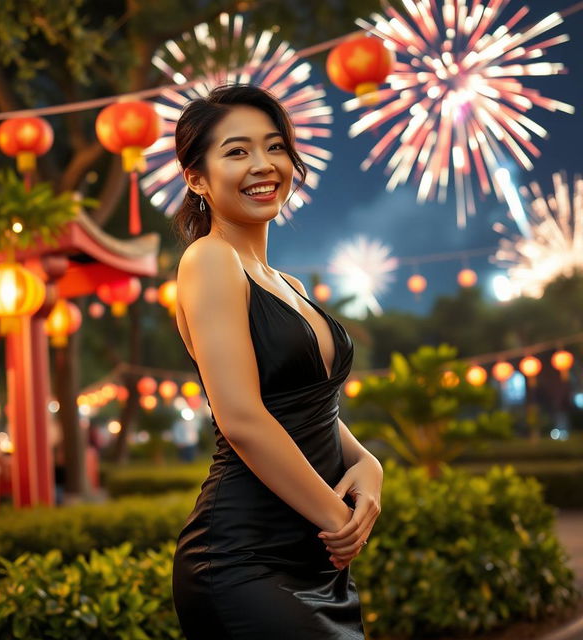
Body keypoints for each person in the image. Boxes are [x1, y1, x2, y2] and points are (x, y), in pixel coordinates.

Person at [170, 84, 384, 639]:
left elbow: (312, 409)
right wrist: (338, 519)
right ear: (197, 178)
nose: (263, 165)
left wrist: (369, 466)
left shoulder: (286, 283)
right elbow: (240, 417)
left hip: (316, 556)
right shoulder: (209, 260)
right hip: (243, 558)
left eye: (274, 147)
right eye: (236, 151)